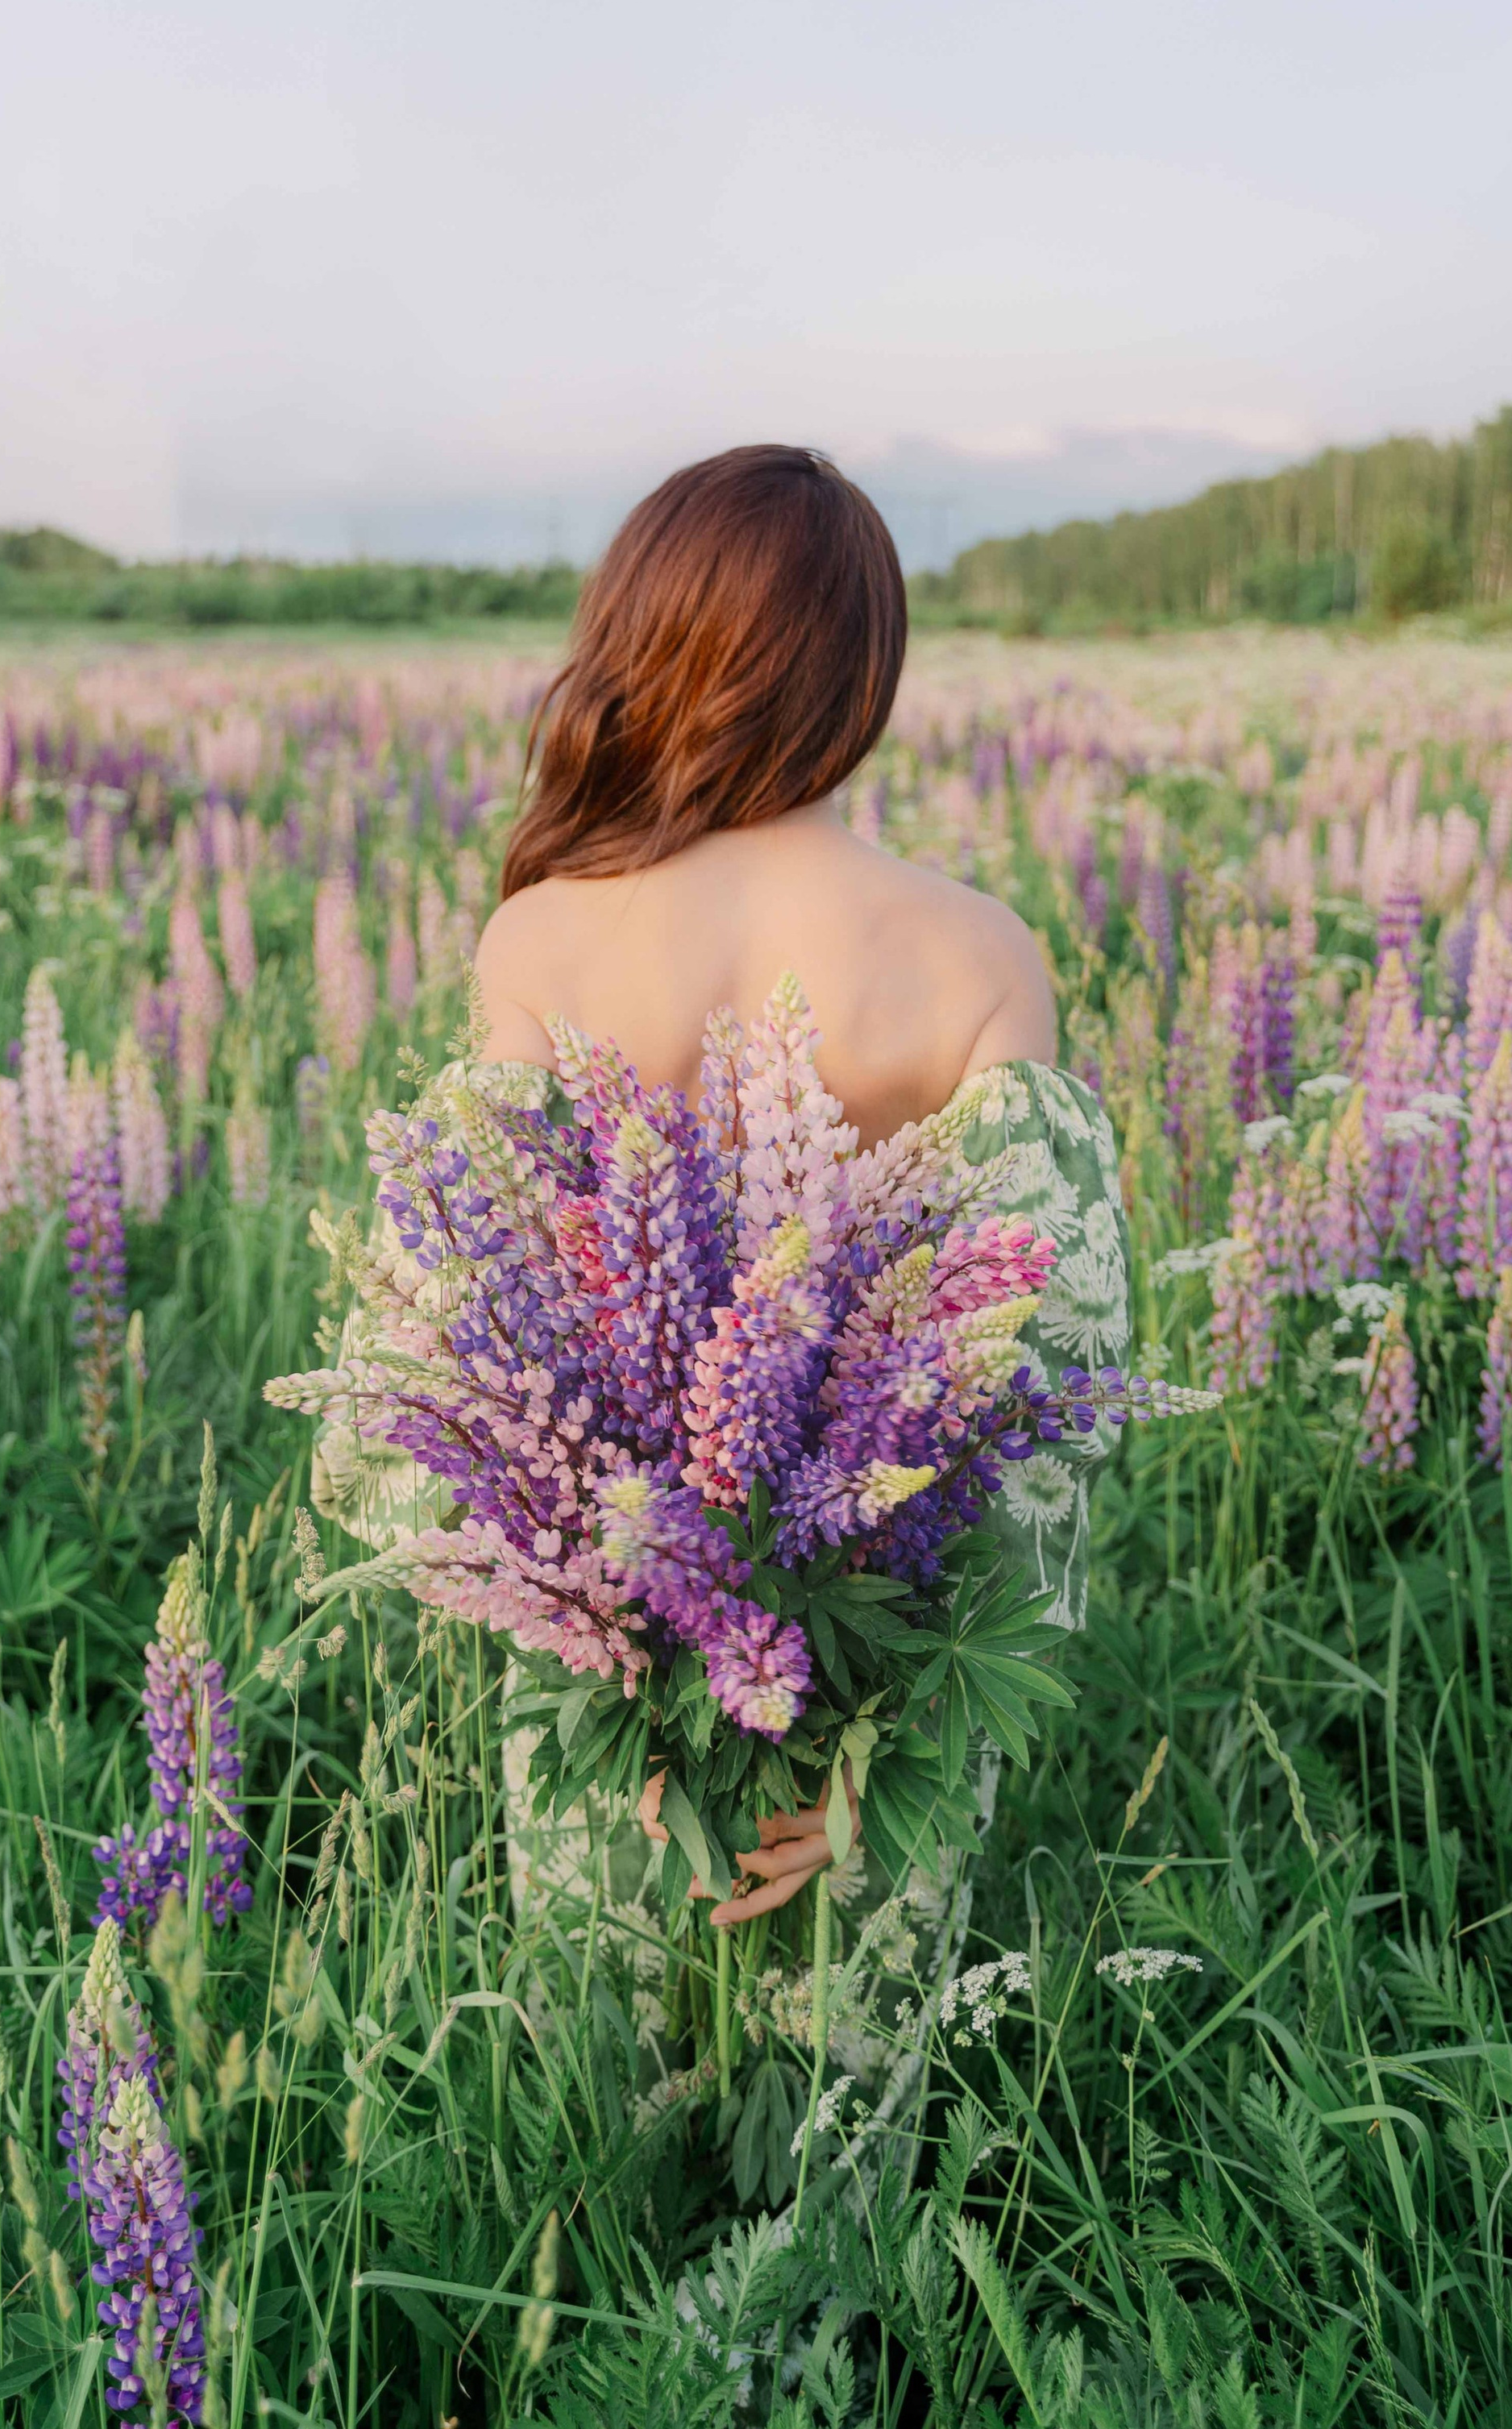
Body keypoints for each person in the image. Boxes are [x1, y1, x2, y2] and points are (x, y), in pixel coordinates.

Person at [463, 443, 1130, 1953]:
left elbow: (468, 1346)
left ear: (643, 644)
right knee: (844, 2165)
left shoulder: (544, 938)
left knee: (584, 2144)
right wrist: (878, 1768)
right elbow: (1050, 1394)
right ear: (864, 675)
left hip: (603, 1693)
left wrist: (601, 1642)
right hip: (886, 1696)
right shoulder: (976, 956)